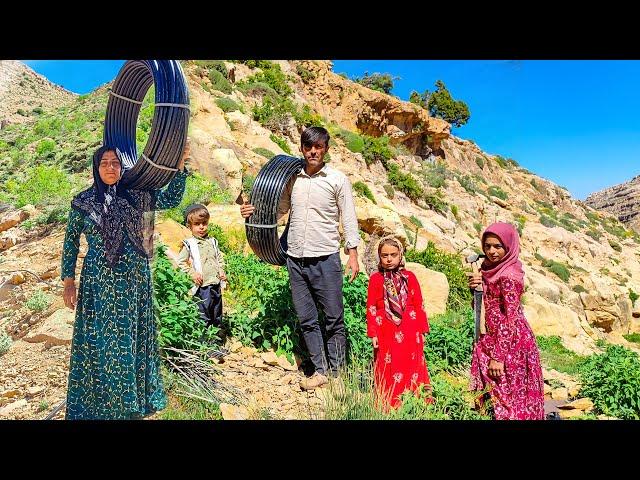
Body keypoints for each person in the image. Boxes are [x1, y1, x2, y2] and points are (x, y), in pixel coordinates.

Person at [61, 141, 190, 419]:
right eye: (104, 163)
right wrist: (68, 281)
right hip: (99, 284)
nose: (110, 167)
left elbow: (171, 199)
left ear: (122, 168)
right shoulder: (83, 202)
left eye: (115, 163)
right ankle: (99, 407)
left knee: (130, 339)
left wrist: (180, 167)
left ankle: (131, 405)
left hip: (134, 283)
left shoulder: (137, 195)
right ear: (96, 168)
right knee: (102, 342)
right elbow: (70, 243)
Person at [240, 126, 360, 390]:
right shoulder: (293, 180)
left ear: (326, 149)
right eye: (308, 147)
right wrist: (251, 211)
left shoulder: (337, 179)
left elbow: (348, 217)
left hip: (326, 258)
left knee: (333, 318)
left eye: (318, 147)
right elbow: (278, 210)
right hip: (296, 258)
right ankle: (321, 372)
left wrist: (353, 254)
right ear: (302, 149)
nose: (313, 151)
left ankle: (339, 375)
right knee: (307, 319)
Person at [468, 222, 544, 420]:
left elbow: (510, 319)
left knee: (511, 403)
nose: (491, 251)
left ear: (509, 247)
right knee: (495, 400)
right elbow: (481, 309)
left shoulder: (508, 276)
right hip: (490, 340)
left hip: (511, 347)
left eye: (497, 246)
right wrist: (475, 290)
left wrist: (498, 357)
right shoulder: (487, 271)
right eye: (487, 246)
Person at [366, 235, 431, 409]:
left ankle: (415, 402)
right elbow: (372, 307)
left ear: (400, 255)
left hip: (410, 329)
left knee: (411, 363)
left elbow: (419, 304)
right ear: (379, 257)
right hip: (385, 330)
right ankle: (388, 405)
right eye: (384, 255)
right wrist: (372, 333)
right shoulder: (375, 279)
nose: (388, 259)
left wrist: (422, 330)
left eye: (393, 255)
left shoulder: (410, 277)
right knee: (387, 364)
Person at [176, 203, 227, 328]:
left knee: (217, 312)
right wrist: (192, 274)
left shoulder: (213, 242)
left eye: (204, 223)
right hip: (202, 286)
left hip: (215, 283)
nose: (201, 227)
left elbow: (219, 258)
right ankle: (205, 342)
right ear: (189, 226)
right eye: (197, 224)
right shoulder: (189, 244)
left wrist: (221, 271)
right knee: (203, 314)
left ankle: (217, 339)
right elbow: (181, 262)